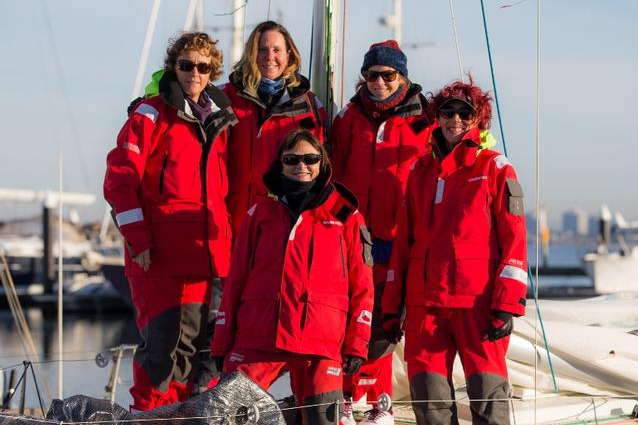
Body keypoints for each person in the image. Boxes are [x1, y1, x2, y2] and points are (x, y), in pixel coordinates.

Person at [381, 77, 528, 425]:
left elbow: (515, 241)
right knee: (430, 405)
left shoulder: (495, 168)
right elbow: (404, 245)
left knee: (488, 401)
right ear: (438, 116)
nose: (455, 120)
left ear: (478, 119)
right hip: (424, 307)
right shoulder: (420, 171)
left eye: (465, 113)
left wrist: (507, 305)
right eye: (448, 112)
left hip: (477, 305)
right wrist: (391, 308)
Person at [104, 32, 237, 411]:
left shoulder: (219, 122)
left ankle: (174, 417)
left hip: (202, 258)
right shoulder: (150, 114)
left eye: (202, 66)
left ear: (212, 71)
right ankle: (147, 415)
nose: (194, 73)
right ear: (173, 68)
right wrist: (138, 241)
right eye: (185, 65)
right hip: (158, 257)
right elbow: (119, 179)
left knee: (190, 351)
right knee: (161, 347)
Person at [210, 130, 374, 425]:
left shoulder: (346, 217)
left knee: (324, 419)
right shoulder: (259, 213)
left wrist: (357, 343)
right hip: (259, 336)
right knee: (228, 415)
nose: (302, 165)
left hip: (320, 341)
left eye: (310, 159)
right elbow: (236, 281)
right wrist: (222, 342)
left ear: (322, 164)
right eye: (292, 159)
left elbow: (362, 286)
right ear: (281, 164)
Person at [329, 40, 434, 425]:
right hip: (354, 234)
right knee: (347, 314)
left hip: (397, 237)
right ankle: (344, 395)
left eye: (388, 76)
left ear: (402, 77)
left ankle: (378, 401)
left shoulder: (425, 121)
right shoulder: (348, 119)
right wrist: (342, 221)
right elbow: (333, 173)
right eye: (372, 75)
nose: (379, 83)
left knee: (385, 320)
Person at [222, 20, 327, 236]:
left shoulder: (310, 106)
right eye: (262, 49)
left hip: (288, 221)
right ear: (251, 53)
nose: (270, 57)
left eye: (277, 50)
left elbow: (323, 167)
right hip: (234, 218)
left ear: (289, 54)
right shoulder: (225, 98)